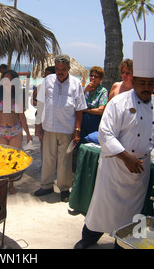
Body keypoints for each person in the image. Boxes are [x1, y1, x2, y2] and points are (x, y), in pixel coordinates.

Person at [74, 41, 154, 249]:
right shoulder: (118, 103)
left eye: (150, 83)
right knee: (102, 209)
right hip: (115, 168)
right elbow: (105, 133)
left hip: (140, 170)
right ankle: (88, 238)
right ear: (135, 80)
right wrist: (125, 156)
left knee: (131, 215)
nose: (147, 88)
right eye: (143, 83)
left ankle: (122, 244)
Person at [34, 55, 87, 202]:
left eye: (63, 69)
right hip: (49, 126)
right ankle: (46, 185)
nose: (60, 72)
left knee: (65, 160)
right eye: (57, 69)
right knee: (48, 158)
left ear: (69, 69)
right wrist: (38, 125)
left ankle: (64, 188)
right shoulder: (48, 80)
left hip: (66, 128)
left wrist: (77, 130)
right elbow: (41, 103)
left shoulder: (76, 84)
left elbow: (79, 109)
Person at [0, 70, 32, 193]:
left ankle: (11, 184)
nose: (7, 82)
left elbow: (22, 117)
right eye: (5, 80)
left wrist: (28, 133)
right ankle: (1, 182)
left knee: (13, 158)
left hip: (15, 130)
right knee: (1, 157)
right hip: (0, 130)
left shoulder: (18, 98)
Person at [81, 66, 108, 139]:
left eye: (96, 77)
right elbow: (76, 102)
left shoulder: (103, 91)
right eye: (91, 75)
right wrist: (85, 90)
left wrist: (86, 110)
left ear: (101, 79)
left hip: (94, 122)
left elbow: (100, 110)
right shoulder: (85, 89)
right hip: (82, 122)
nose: (93, 78)